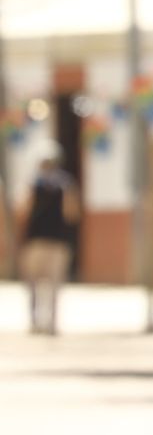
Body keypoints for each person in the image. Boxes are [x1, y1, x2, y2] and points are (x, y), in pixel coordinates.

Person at [19, 141, 80, 336]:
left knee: (33, 284)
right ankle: (52, 323)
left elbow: (25, 210)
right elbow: (72, 214)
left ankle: (36, 321)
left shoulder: (34, 183)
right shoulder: (66, 185)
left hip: (36, 240)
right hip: (58, 241)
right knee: (54, 284)